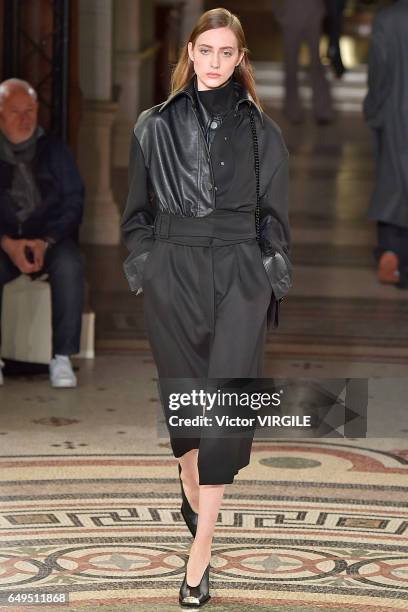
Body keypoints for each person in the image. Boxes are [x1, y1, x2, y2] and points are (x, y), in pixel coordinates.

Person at [121, 8, 292, 607]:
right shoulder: (153, 126)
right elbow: (135, 215)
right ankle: (190, 482)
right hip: (175, 271)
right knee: (190, 413)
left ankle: (198, 561)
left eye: (227, 52)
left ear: (240, 58)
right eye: (206, 50)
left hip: (241, 274)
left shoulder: (261, 133)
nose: (216, 61)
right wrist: (149, 269)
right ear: (189, 53)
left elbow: (276, 221)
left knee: (226, 409)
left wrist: (267, 280)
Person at [0, 79, 85, 387]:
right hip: (4, 241)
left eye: (30, 111)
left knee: (70, 265)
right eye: (15, 112)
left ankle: (61, 357)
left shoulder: (54, 149)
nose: (24, 119)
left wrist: (46, 241)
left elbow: (74, 200)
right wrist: (7, 243)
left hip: (50, 239)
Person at [363, 0, 408, 288]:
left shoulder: (388, 19)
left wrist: (374, 109)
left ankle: (392, 250)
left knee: (393, 179)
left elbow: (378, 72)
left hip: (396, 111)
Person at [271, 0, 335, 124]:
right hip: (291, 15)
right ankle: (292, 111)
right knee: (291, 65)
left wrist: (322, 10)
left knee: (317, 63)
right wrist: (279, 13)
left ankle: (323, 111)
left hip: (314, 13)